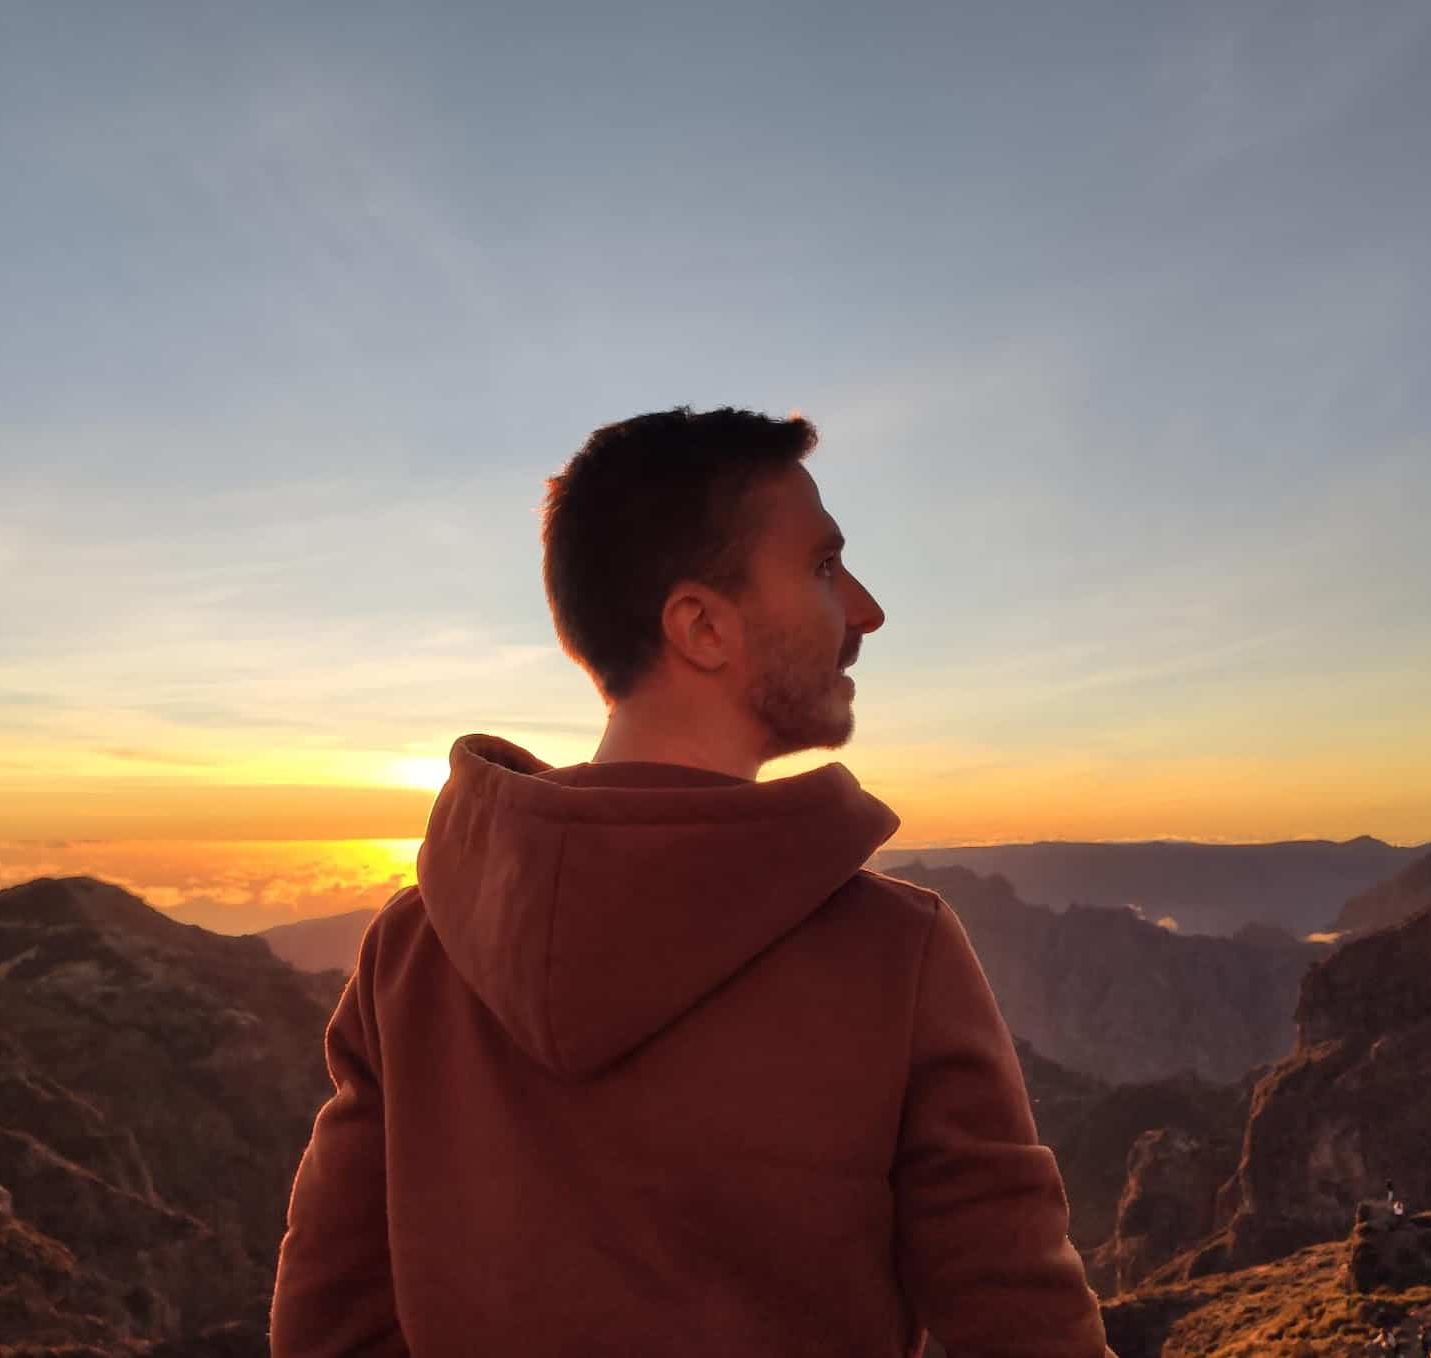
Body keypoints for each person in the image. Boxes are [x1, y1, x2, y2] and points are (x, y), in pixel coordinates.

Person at [269, 408, 1113, 1357]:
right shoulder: (892, 952)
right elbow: (1023, 1326)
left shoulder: (413, 947)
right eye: (824, 567)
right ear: (702, 626)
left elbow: (330, 1326)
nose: (866, 610)